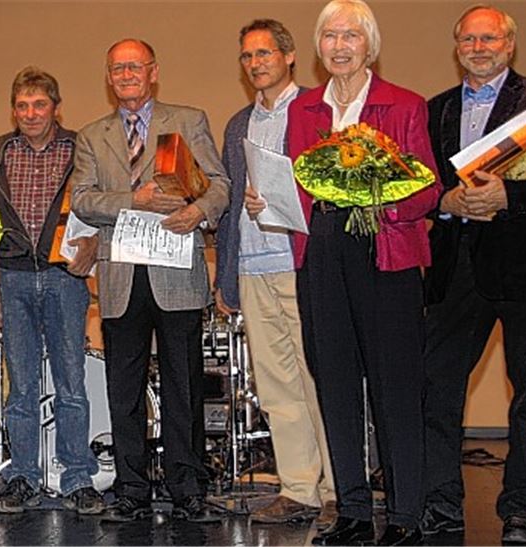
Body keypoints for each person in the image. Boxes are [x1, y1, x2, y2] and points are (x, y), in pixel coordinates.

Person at [285, 2, 441, 545]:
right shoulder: (302, 108)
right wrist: (271, 201)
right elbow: (295, 182)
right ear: (318, 45)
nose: (340, 44)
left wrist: (379, 199)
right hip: (320, 252)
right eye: (330, 35)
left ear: (369, 44)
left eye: (351, 34)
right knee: (335, 381)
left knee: (396, 387)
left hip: (385, 251)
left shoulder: (403, 105)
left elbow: (427, 188)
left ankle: (404, 515)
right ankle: (351, 508)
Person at [421, 5, 526, 545]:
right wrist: (447, 199)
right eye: (468, 38)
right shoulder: (435, 109)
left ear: (509, 45)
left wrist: (508, 196)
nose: (478, 47)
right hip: (454, 274)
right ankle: (439, 505)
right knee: (435, 391)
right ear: (456, 46)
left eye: (489, 38)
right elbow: (422, 189)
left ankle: (522, 511)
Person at [71, 39, 230, 522]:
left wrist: (198, 211)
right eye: (117, 68)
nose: (125, 75)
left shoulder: (188, 120)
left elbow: (220, 184)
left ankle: (188, 491)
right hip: (121, 280)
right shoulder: (91, 136)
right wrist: (131, 200)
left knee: (184, 388)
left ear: (153, 72)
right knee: (124, 392)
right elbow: (82, 200)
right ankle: (131, 491)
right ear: (108, 76)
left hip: (176, 273)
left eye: (134, 67)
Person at [214, 19, 335, 526]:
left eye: (265, 53)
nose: (256, 63)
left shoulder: (317, 110)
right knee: (276, 385)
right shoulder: (238, 124)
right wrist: (226, 276)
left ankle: (337, 487)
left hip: (301, 264)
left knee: (320, 379)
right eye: (247, 56)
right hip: (253, 267)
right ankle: (299, 488)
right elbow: (226, 208)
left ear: (289, 57)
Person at [0, 66, 104, 515]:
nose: (31, 113)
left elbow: (99, 205)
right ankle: (24, 477)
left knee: (71, 384)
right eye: (22, 105)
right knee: (21, 388)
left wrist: (95, 247)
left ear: (56, 107)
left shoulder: (80, 147)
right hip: (11, 279)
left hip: (63, 278)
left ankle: (77, 478)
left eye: (40, 104)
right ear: (13, 110)